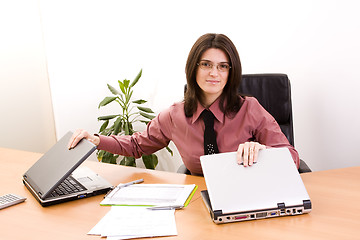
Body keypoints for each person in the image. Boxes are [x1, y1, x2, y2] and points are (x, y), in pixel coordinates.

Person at [68, 33, 299, 175]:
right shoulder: (174, 116)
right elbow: (137, 145)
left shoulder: (250, 109)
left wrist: (264, 152)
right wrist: (97, 140)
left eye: (223, 66)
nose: (214, 73)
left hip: (247, 195)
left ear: (231, 72)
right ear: (193, 68)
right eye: (206, 64)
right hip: (199, 198)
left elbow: (292, 158)